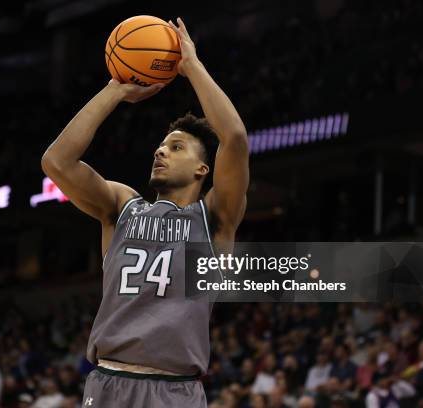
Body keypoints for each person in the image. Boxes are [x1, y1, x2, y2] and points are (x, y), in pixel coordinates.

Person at [42, 17, 249, 408]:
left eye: (176, 148)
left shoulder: (215, 218)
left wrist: (190, 66)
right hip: (108, 381)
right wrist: (114, 90)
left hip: (176, 390)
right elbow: (56, 161)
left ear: (203, 169)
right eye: (160, 146)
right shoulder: (122, 206)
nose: (160, 151)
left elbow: (234, 137)